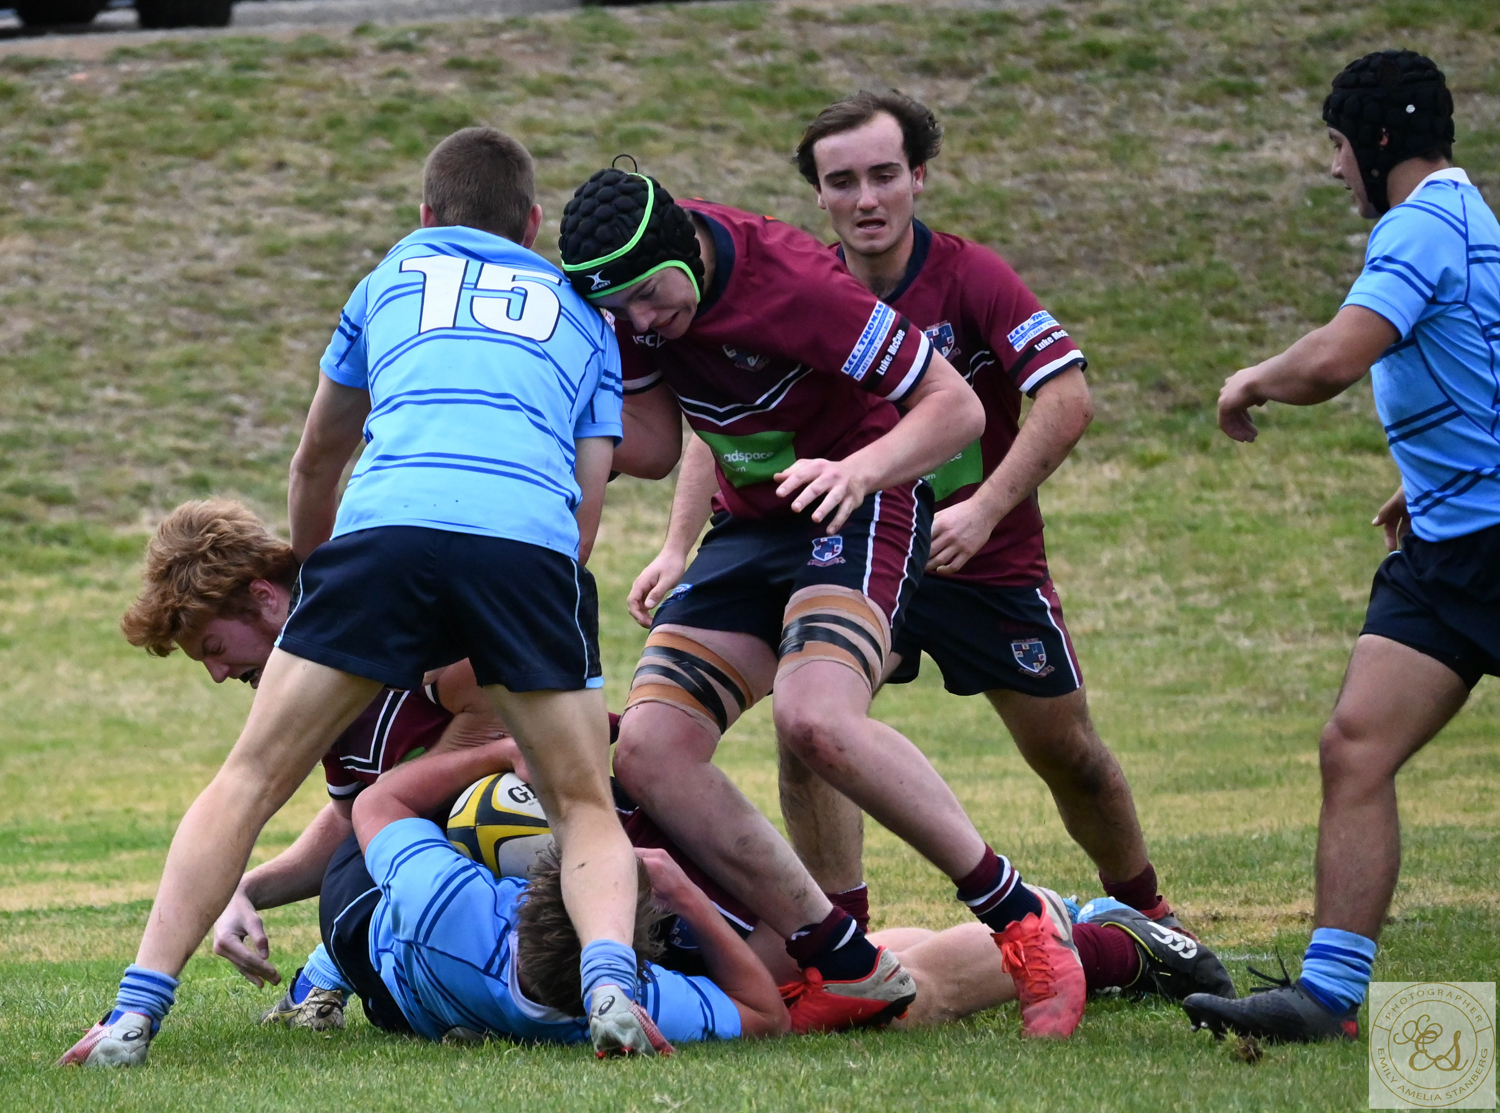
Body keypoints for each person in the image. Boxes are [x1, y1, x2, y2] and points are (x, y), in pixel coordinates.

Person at [61, 127, 656, 1066]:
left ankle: (134, 1013)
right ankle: (612, 985)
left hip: (385, 532)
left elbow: (317, 459)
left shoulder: (387, 280)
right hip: (525, 546)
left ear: (425, 217)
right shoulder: (588, 323)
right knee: (582, 801)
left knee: (249, 777)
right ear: (534, 225)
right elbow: (582, 517)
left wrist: (323, 585)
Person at [558, 167, 1088, 1039]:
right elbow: (652, 445)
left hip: (863, 501)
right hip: (751, 522)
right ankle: (844, 959)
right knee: (650, 751)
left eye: (650, 297)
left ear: (686, 250)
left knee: (817, 719)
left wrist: (858, 471)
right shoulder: (631, 309)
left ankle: (1023, 918)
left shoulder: (795, 282)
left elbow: (955, 408)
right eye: (621, 309)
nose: (641, 321)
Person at [761, 90, 1184, 939]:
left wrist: (986, 510)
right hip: (863, 560)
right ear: (818, 193)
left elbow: (1067, 398)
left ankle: (1152, 918)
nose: (866, 199)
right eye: (842, 181)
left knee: (1069, 753)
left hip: (981, 561)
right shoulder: (804, 288)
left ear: (918, 176)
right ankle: (846, 951)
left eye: (885, 175)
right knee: (808, 729)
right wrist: (677, 543)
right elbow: (732, 411)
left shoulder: (973, 276)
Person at [1184, 50, 1499, 1044]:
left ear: (1376, 139)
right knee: (1355, 744)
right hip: (1448, 546)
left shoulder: (1420, 224)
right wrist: (1433, 477)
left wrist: (1247, 381)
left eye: (1335, 145)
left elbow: (1332, 360)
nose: (1332, 169)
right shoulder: (1468, 220)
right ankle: (1326, 997)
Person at [321, 738, 1235, 1049]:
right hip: (696, 867)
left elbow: (374, 816)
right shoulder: (626, 995)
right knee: (853, 986)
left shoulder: (446, 910)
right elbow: (761, 1008)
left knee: (876, 996)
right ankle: (1090, 927)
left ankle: (1087, 930)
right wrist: (677, 889)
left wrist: (520, 752)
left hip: (693, 854)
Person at [114, 497, 518, 1030]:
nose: (217, 674)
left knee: (366, 882)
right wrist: (240, 889)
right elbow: (349, 821)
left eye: (213, 647)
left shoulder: (384, 623)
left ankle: (405, 983)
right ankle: (432, 993)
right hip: (448, 863)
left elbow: (497, 699)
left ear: (264, 598)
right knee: (351, 885)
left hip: (528, 818)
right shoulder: (315, 699)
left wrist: (406, 793)